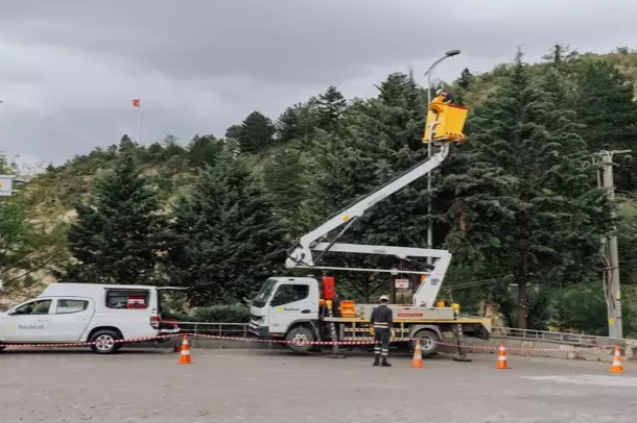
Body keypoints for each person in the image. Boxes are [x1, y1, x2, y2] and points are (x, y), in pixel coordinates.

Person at [369, 295, 394, 367]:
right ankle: (384, 362)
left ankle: (376, 361)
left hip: (376, 330)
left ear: (380, 301)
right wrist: (392, 331)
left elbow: (371, 319)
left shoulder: (375, 309)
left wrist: (371, 328)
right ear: (387, 301)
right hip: (385, 330)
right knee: (385, 345)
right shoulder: (388, 310)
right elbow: (390, 321)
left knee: (377, 345)